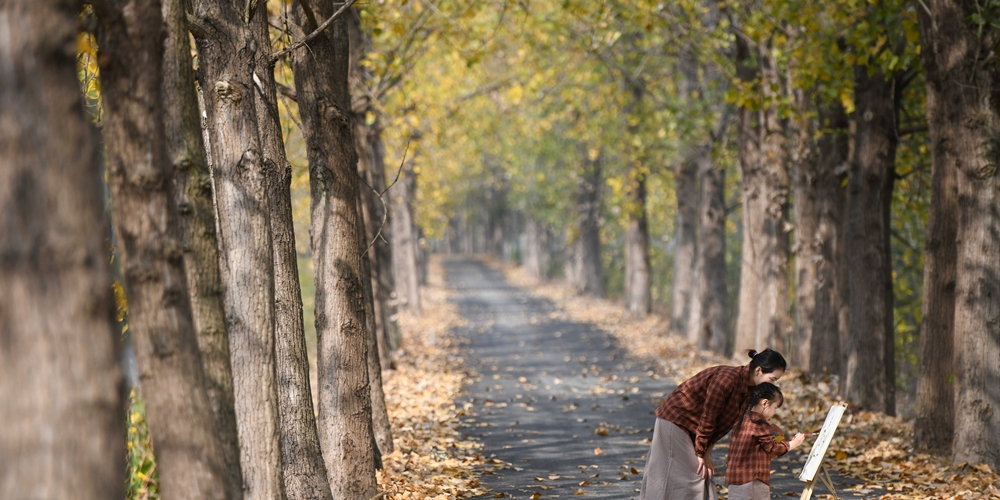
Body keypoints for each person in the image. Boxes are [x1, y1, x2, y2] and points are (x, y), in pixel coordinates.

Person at [639, 349, 787, 500]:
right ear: (758, 370)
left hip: (697, 429)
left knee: (702, 474)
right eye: (772, 379)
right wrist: (700, 451)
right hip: (677, 420)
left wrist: (707, 451)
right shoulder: (726, 380)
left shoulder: (751, 392)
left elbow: (724, 424)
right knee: (691, 475)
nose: (772, 385)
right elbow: (709, 417)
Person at [725, 382, 805, 500]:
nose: (774, 413)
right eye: (775, 408)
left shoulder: (742, 418)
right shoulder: (760, 424)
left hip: (736, 477)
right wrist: (792, 444)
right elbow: (772, 447)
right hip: (753, 477)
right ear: (765, 403)